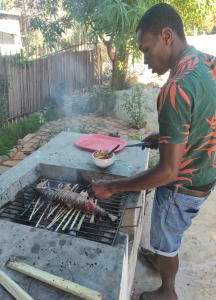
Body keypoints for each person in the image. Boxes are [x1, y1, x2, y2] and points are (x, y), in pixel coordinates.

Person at [91, 3, 216, 300]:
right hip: (206, 171)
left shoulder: (174, 88)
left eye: (146, 49)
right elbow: (203, 114)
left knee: (167, 239)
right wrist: (166, 137)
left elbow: (168, 172)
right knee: (168, 235)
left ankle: (167, 291)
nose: (145, 60)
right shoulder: (206, 63)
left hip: (181, 187)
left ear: (166, 35)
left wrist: (112, 187)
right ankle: (159, 257)